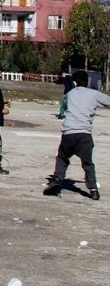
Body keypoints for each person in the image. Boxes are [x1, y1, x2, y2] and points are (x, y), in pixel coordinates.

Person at [44, 70, 110, 200]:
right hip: (84, 134)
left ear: (74, 82)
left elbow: (65, 107)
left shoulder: (70, 94)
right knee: (87, 163)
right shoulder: (94, 94)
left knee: (62, 157)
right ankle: (93, 189)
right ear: (88, 82)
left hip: (68, 133)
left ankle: (57, 178)